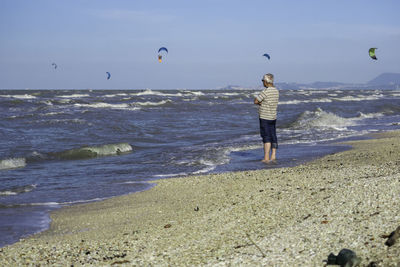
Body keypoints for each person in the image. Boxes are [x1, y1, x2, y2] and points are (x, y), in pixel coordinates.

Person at [254, 73, 279, 163]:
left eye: (263, 81)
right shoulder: (276, 91)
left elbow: (256, 101)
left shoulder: (265, 91)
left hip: (264, 116)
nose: (262, 83)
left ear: (266, 81)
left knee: (266, 137)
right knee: (273, 136)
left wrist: (262, 104)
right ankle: (273, 156)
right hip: (273, 116)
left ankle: (266, 157)